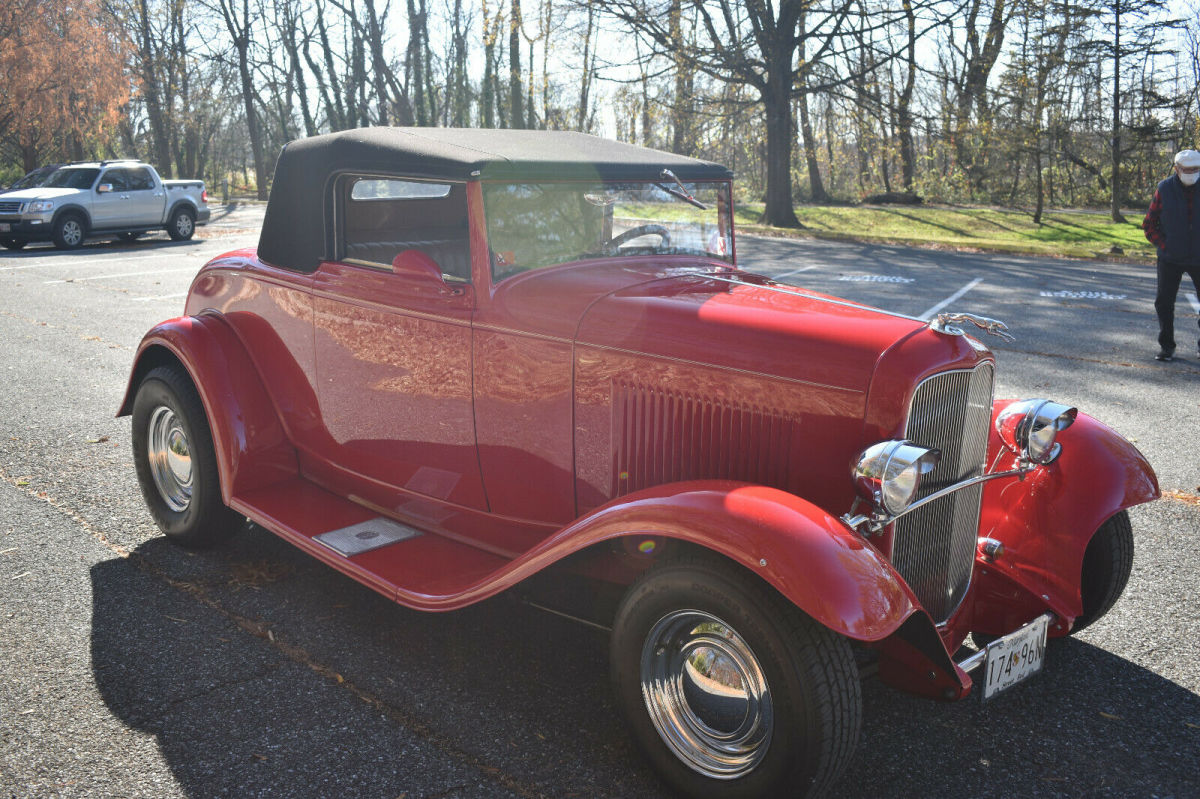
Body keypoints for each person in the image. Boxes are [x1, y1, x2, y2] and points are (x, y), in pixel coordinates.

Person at [1142, 149, 1200, 361]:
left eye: (1195, 169)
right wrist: (1165, 245)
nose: (1191, 173)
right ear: (1176, 169)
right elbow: (1149, 224)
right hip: (1170, 258)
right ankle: (1167, 347)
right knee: (1164, 303)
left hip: (1198, 257)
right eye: (1186, 170)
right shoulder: (1164, 189)